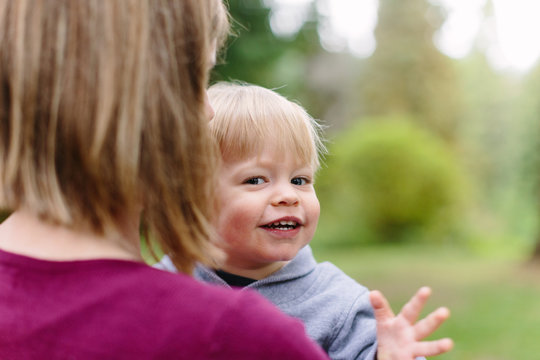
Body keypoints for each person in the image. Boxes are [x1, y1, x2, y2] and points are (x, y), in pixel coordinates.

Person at [0, 1, 331, 359]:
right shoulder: (235, 339)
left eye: (300, 180)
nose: (208, 110)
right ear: (134, 95)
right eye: (194, 80)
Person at [157, 82, 454, 359]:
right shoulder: (161, 288)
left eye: (300, 179)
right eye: (257, 179)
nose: (288, 195)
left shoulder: (338, 305)